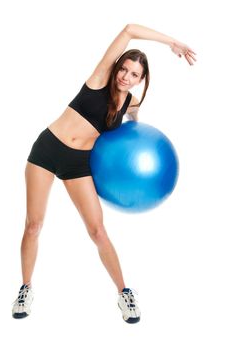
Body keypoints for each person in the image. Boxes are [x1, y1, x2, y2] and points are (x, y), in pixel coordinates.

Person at [12, 23, 196, 323]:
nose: (126, 76)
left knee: (97, 231)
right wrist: (172, 42)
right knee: (33, 225)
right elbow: (130, 29)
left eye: (134, 74)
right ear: (117, 68)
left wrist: (136, 124)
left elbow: (135, 119)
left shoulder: (130, 101)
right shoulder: (98, 80)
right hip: (47, 151)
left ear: (141, 79)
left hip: (78, 164)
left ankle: (124, 293)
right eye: (124, 69)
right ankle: (25, 288)